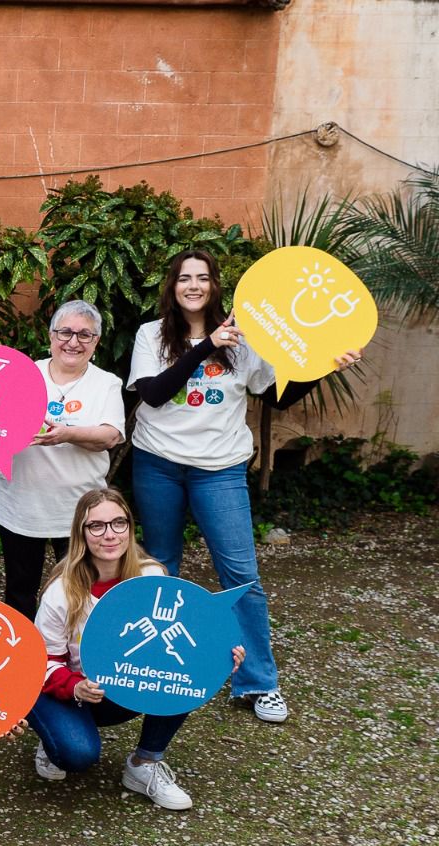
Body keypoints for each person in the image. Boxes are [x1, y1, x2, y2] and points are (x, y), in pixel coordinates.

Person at [128, 250, 362, 724]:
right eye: (184, 278)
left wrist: (324, 366)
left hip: (220, 470)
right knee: (159, 566)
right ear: (171, 286)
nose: (193, 285)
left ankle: (259, 682)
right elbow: (151, 393)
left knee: (242, 578)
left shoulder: (246, 336)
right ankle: (149, 667)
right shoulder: (151, 335)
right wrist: (206, 345)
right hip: (158, 465)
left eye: (203, 278)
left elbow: (278, 393)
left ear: (216, 285)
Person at [28, 488, 244, 810]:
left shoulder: (151, 576)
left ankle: (144, 764)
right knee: (77, 755)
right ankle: (53, 739)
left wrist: (216, 657)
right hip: (69, 689)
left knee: (183, 676)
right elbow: (41, 660)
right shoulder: (62, 591)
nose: (110, 534)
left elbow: (184, 639)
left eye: (119, 523)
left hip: (119, 687)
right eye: (97, 526)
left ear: (130, 527)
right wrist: (75, 687)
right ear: (81, 533)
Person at [0, 300, 125, 620]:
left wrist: (68, 434)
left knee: (81, 592)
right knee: (20, 591)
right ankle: (24, 661)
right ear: (51, 336)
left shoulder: (105, 383)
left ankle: (75, 663)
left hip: (78, 510)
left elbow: (110, 436)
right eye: (65, 332)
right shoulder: (23, 373)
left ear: (96, 342)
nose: (73, 342)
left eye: (85, 335)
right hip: (20, 505)